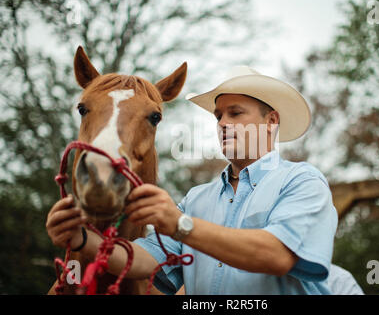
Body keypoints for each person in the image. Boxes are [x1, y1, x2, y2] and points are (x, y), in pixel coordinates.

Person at [46, 66, 338, 294]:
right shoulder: (196, 199)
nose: (223, 123)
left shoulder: (302, 181)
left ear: (271, 121)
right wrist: (83, 239)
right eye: (219, 115)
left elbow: (277, 256)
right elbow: (144, 260)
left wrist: (180, 225)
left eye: (235, 113)